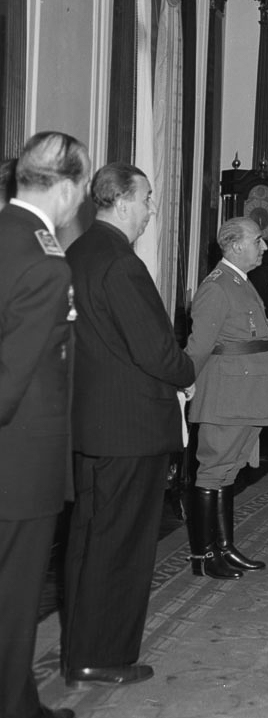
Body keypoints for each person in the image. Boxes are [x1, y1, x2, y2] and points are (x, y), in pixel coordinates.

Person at [63, 164, 196, 688]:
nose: (150, 210)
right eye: (147, 199)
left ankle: (81, 651)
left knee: (89, 541)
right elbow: (156, 350)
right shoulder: (121, 261)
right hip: (131, 428)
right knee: (122, 547)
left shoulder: (77, 254)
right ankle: (105, 656)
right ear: (121, 202)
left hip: (92, 426)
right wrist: (188, 371)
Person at [0, 131, 90, 718]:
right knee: (14, 595)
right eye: (80, 189)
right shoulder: (45, 263)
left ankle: (21, 699)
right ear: (64, 188)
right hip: (20, 459)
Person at [185, 217, 268, 579]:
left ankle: (224, 547)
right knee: (213, 471)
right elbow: (199, 346)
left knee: (228, 470)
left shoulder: (239, 281)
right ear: (236, 245)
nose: (264, 246)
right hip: (228, 395)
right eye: (257, 240)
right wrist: (184, 381)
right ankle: (204, 555)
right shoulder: (217, 286)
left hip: (246, 392)